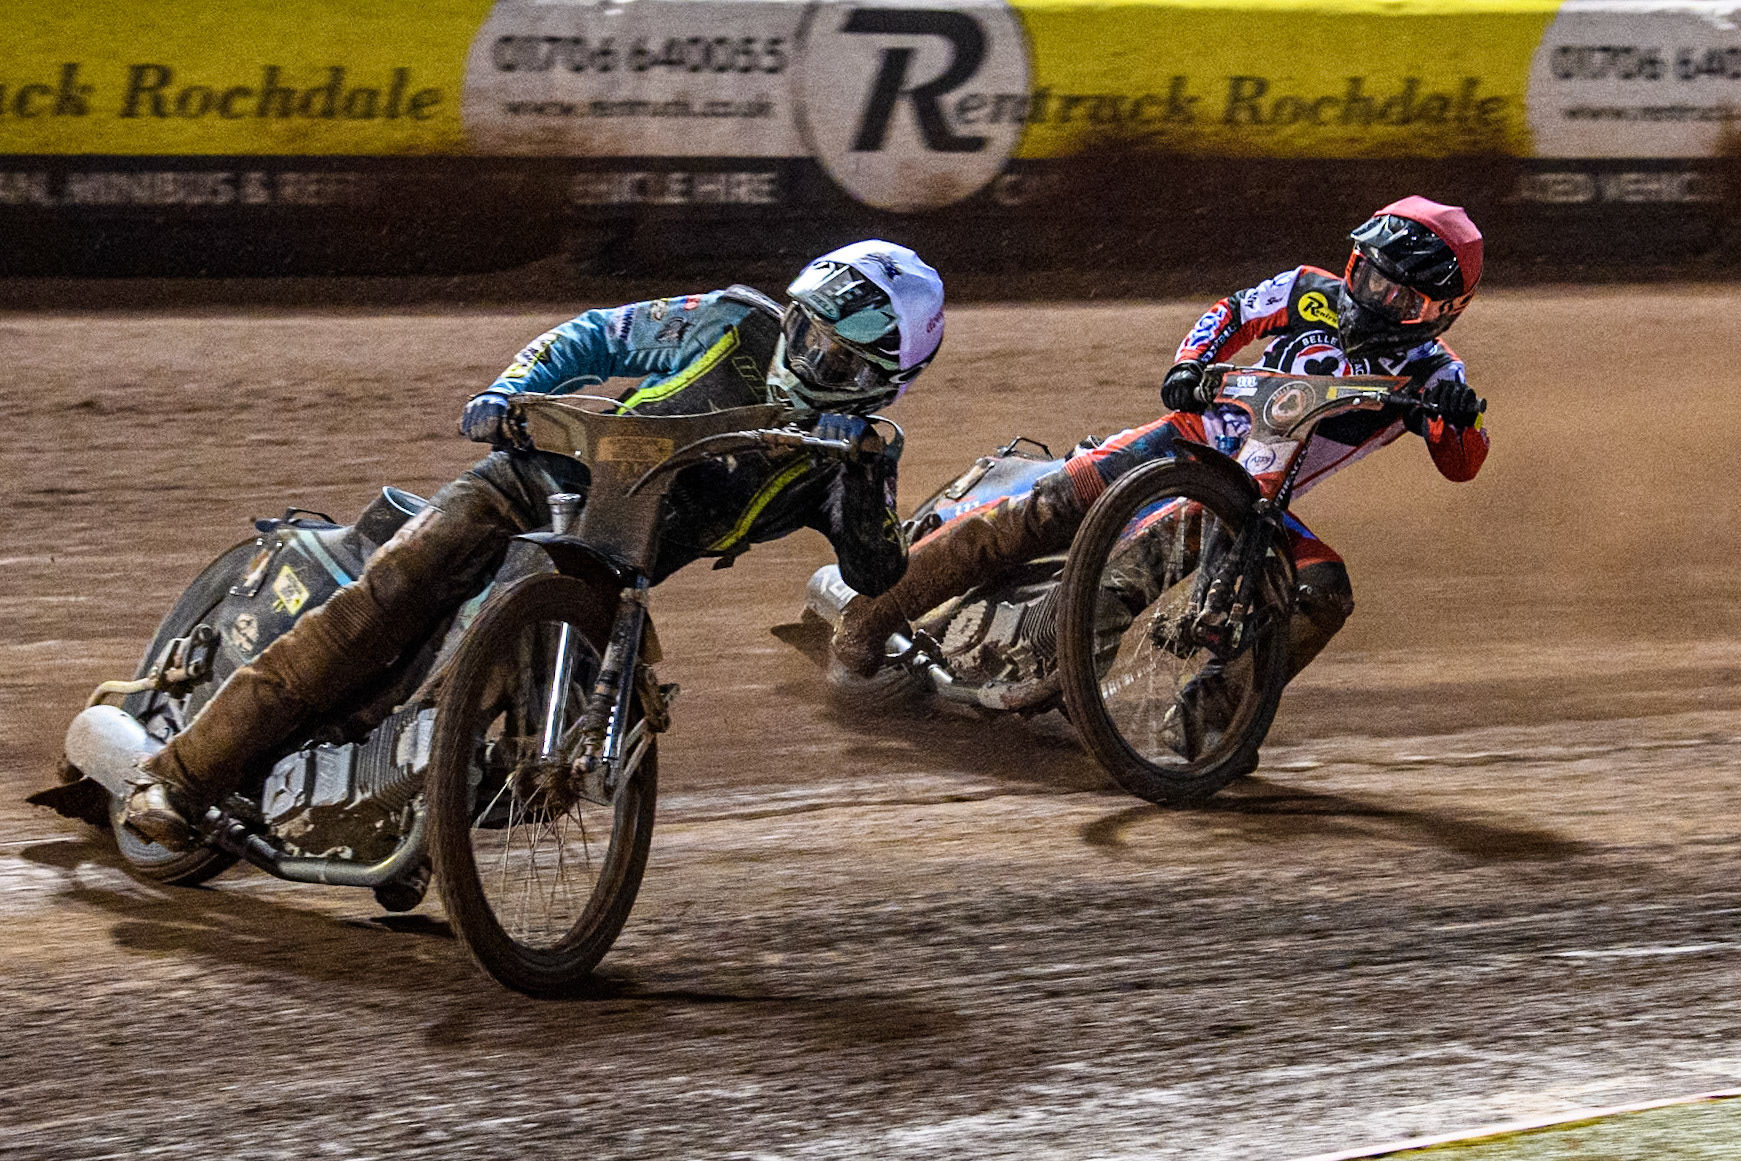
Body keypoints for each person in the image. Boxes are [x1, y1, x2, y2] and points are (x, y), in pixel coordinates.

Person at [123, 239, 946, 849]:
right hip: (531, 485)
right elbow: (598, 335)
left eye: (839, 363)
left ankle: (407, 817)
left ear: (882, 383)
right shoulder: (732, 323)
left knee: (558, 755)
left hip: (610, 573)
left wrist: (866, 465)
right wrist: (510, 391)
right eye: (806, 335)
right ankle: (180, 777)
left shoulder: (853, 457)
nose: (807, 360)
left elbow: (874, 570)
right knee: (375, 611)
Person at [832, 196, 1488, 733]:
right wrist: (1189, 364)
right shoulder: (1305, 289)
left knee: (1323, 590)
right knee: (1037, 511)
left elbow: (1462, 461)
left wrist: (1453, 417)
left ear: (1441, 312)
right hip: (1183, 435)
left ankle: (1205, 725)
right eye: (1369, 275)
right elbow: (1230, 311)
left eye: (1399, 297)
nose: (1374, 297)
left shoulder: (1435, 373)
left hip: (1252, 500)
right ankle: (864, 625)